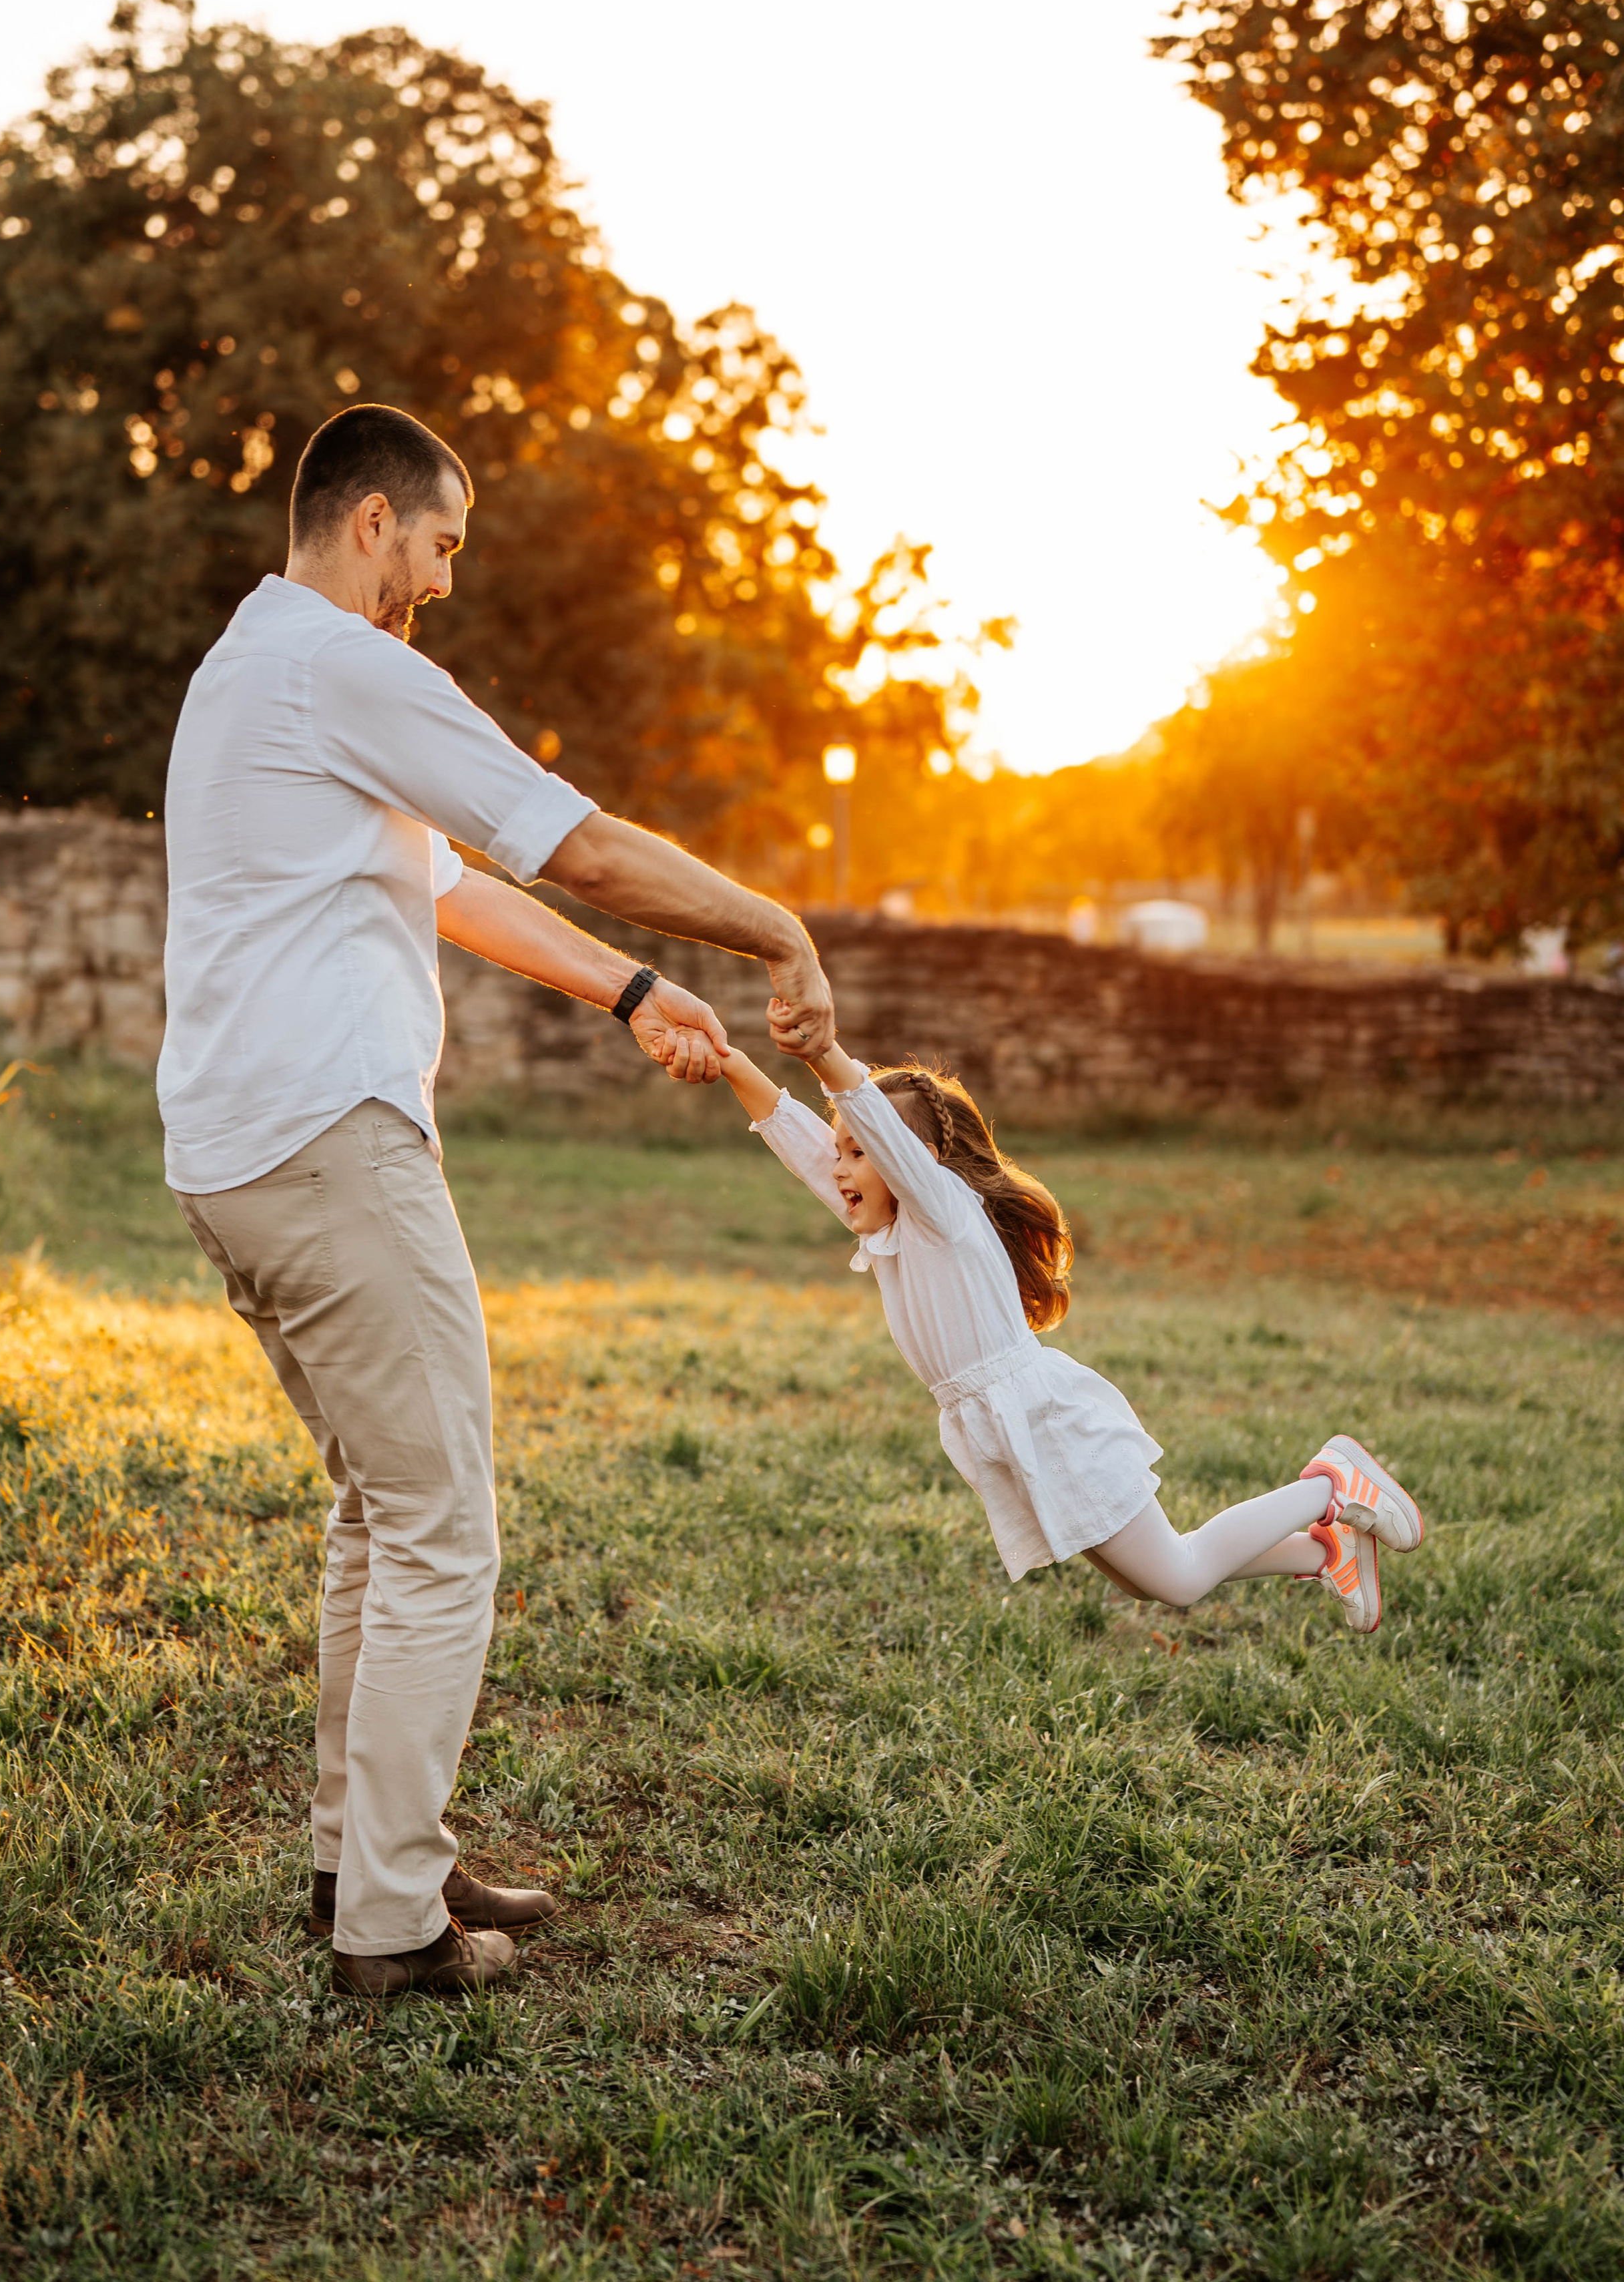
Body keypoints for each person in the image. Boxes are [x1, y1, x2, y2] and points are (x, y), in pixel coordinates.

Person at [159, 403, 834, 2000]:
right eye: (443, 544)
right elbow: (575, 837)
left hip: (238, 1153)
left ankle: (363, 1849)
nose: (443, 584)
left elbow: (441, 880)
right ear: (374, 522)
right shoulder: (342, 660)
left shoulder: (247, 669)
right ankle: (388, 1924)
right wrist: (770, 926)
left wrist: (635, 992)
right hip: (333, 1147)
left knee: (377, 1513)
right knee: (444, 1527)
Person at [717, 1030, 1424, 1626]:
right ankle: (1322, 1549)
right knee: (1143, 1580)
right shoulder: (895, 1226)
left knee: (1175, 1577)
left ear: (914, 1162)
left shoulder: (941, 1213)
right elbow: (800, 1143)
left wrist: (824, 1052)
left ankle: (1331, 1483)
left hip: (1042, 1419)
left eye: (858, 1149)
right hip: (1003, 1424)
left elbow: (871, 1127)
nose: (838, 1166)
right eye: (839, 1152)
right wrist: (727, 1058)